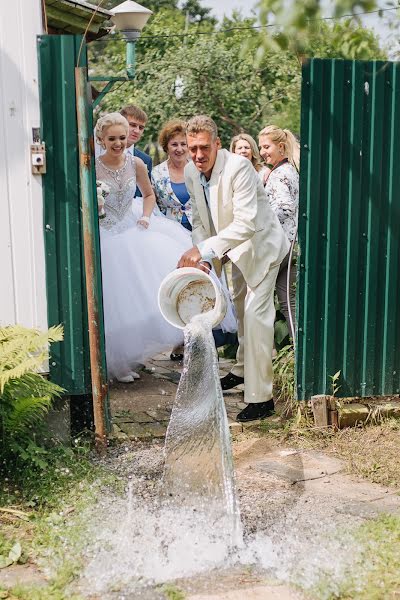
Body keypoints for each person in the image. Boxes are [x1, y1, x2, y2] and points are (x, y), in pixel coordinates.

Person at [178, 115, 289, 422]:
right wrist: (206, 256)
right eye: (192, 148)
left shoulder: (239, 168)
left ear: (217, 144)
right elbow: (200, 220)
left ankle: (261, 398)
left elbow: (246, 224)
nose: (198, 155)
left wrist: (203, 249)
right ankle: (241, 371)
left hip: (261, 249)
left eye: (204, 148)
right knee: (239, 310)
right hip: (231, 251)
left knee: (255, 317)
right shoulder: (191, 171)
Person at [95, 112, 192, 382]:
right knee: (113, 302)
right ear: (102, 139)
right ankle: (113, 363)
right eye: (112, 138)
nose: (118, 143)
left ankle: (130, 358)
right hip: (103, 234)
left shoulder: (136, 163)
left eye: (122, 138)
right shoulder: (93, 165)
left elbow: (148, 194)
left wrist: (146, 216)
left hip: (131, 230)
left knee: (136, 298)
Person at [152, 119, 237, 359]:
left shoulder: (199, 167)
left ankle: (211, 337)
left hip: (204, 235)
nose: (179, 149)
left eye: (183, 144)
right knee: (180, 287)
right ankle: (182, 339)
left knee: (210, 283)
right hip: (171, 233)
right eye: (174, 144)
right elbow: (155, 203)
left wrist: (207, 246)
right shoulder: (157, 173)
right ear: (166, 146)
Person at [258, 125, 300, 340]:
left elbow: (286, 207)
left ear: (281, 146)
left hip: (281, 245)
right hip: (292, 243)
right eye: (261, 147)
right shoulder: (289, 170)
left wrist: (261, 222)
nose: (263, 152)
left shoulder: (279, 174)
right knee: (288, 301)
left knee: (262, 300)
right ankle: (298, 353)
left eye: (267, 147)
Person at [95, 104, 152, 197]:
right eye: (133, 125)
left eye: (141, 127)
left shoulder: (146, 159)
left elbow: (146, 194)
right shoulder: (98, 156)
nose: (137, 131)